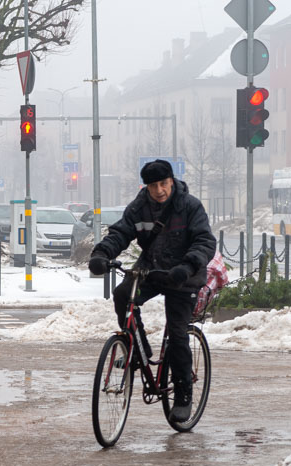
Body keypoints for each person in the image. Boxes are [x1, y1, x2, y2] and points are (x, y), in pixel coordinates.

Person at [88, 159, 215, 423]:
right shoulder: (139, 208)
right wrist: (101, 253)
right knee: (123, 295)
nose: (159, 190)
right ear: (145, 186)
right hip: (152, 269)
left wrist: (187, 266)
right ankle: (139, 350)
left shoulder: (190, 206)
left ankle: (183, 394)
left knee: (177, 334)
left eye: (163, 184)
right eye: (153, 186)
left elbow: (205, 241)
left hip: (184, 275)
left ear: (171, 181)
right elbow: (120, 233)